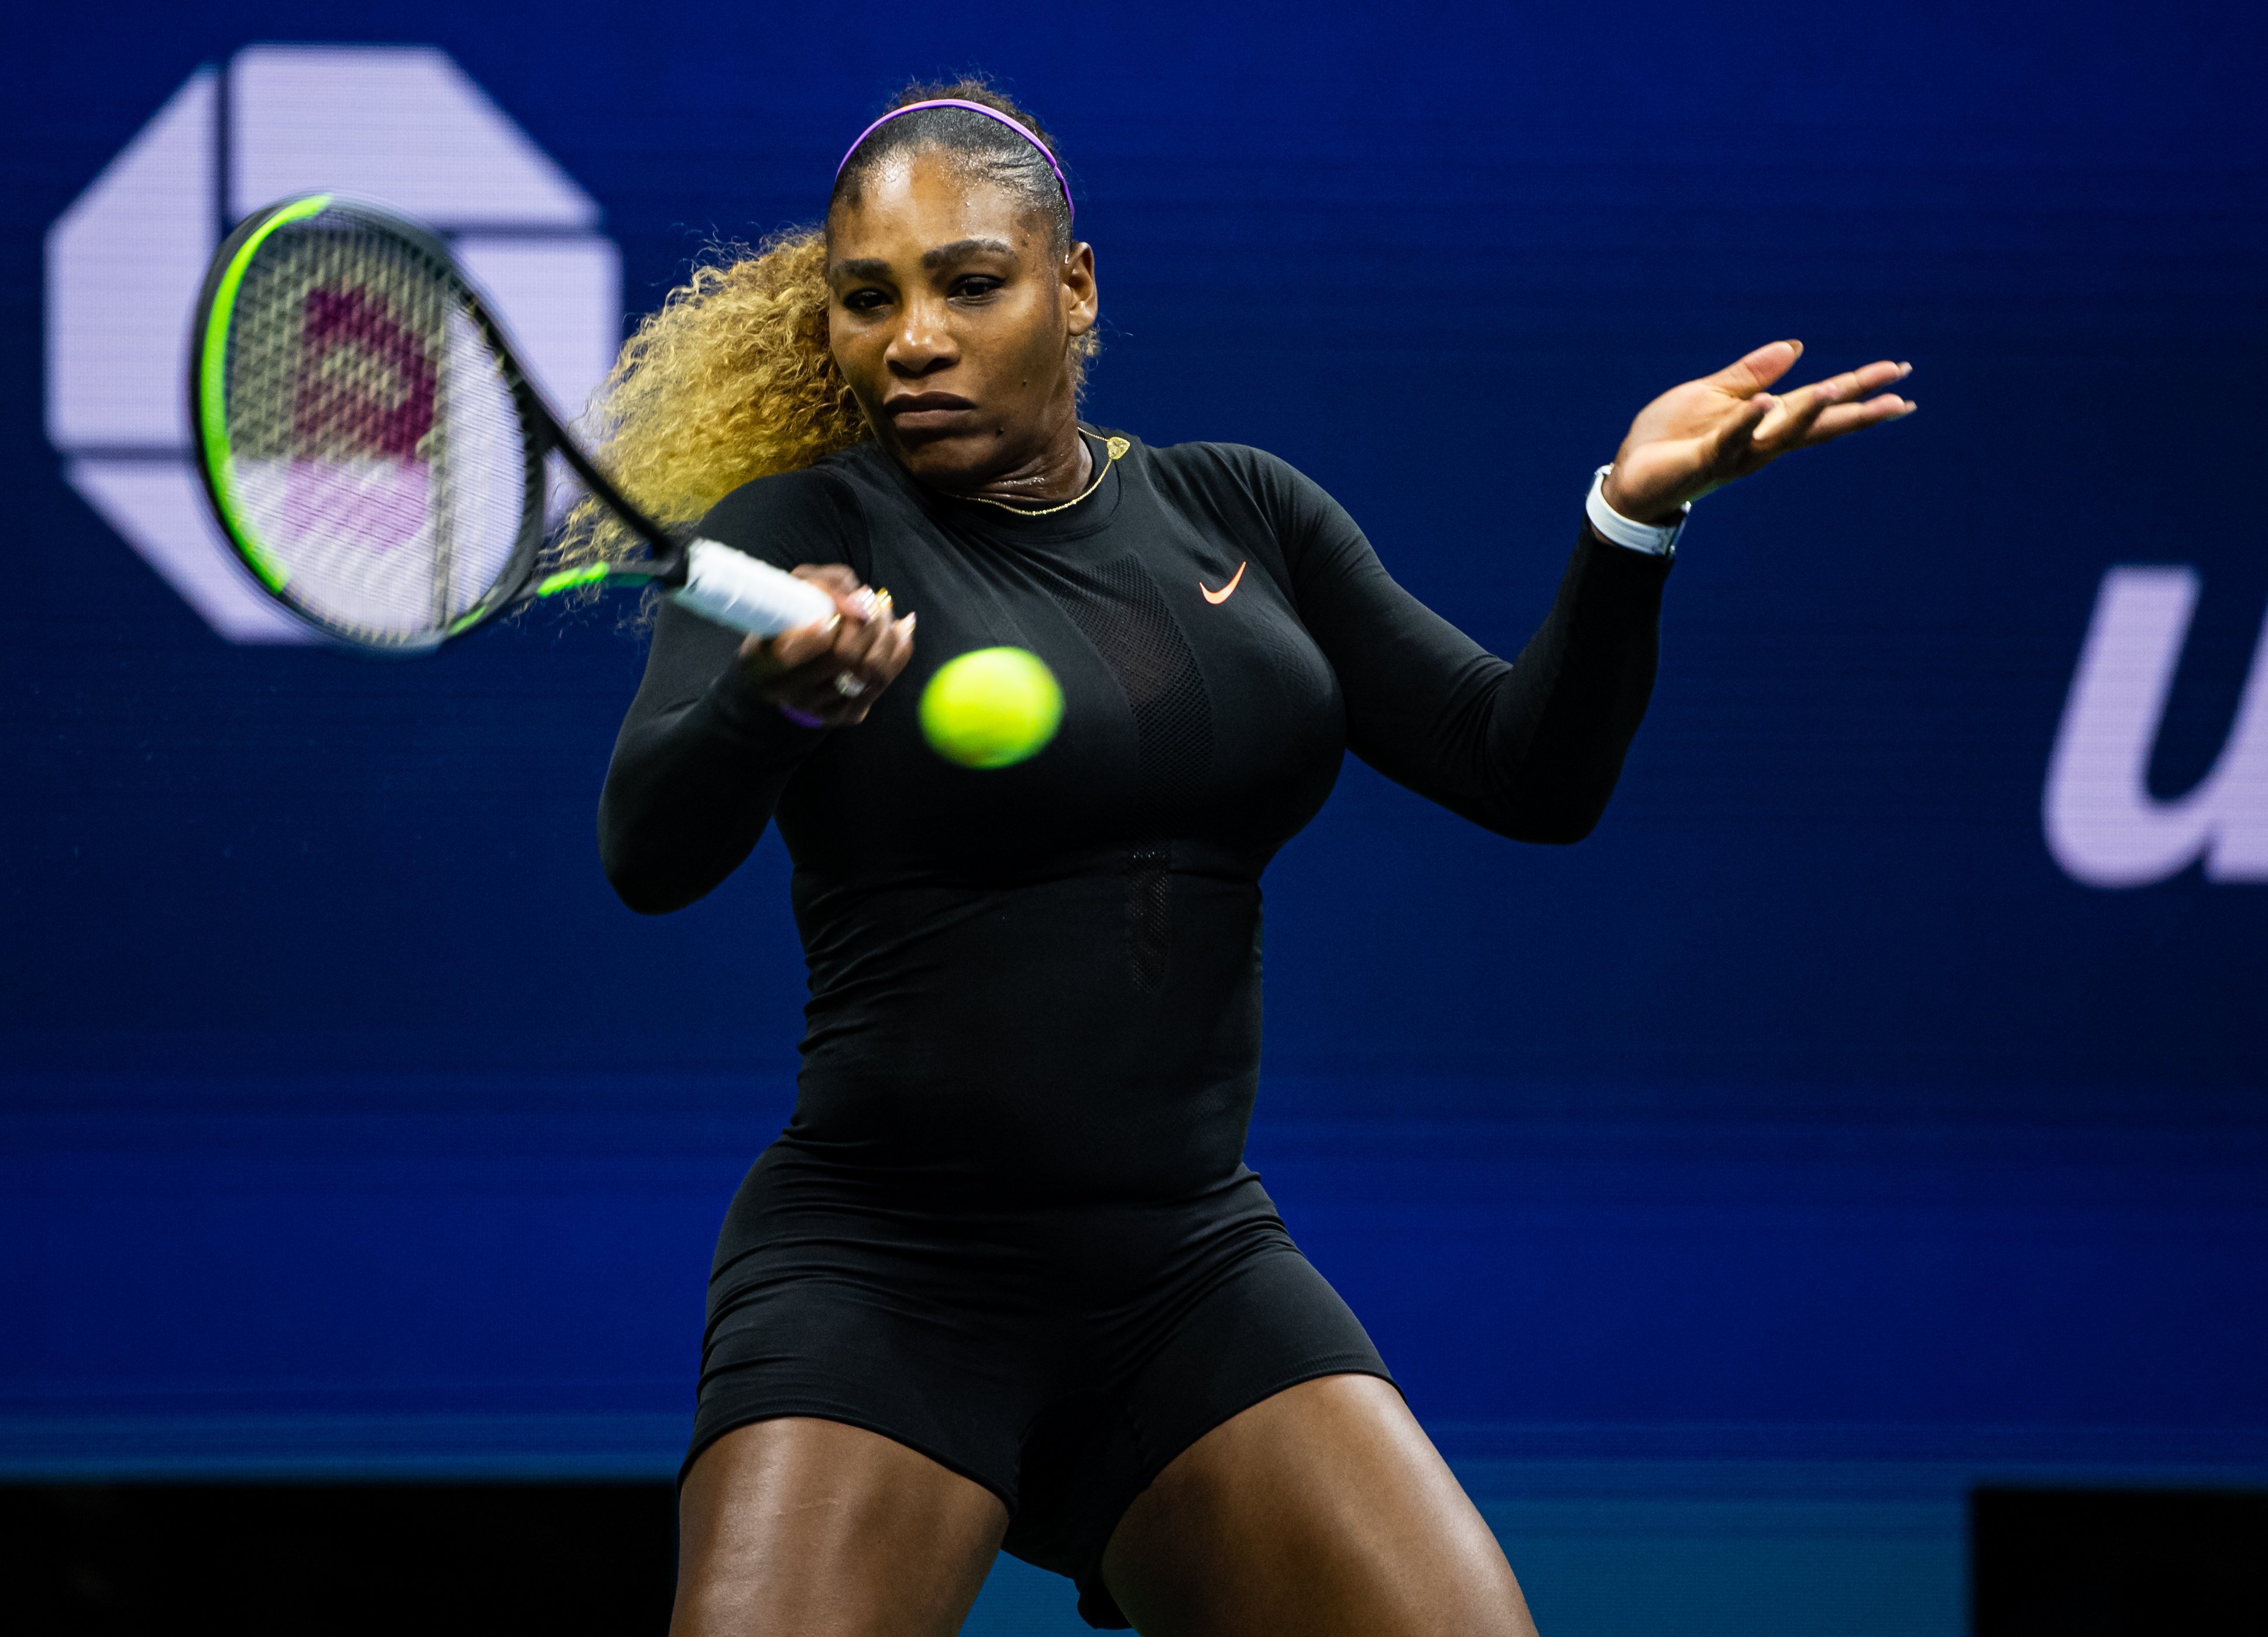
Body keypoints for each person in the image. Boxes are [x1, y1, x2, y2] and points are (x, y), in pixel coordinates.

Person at [582, 80, 1912, 1637]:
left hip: (1184, 1275)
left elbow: (1525, 776)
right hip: (885, 1280)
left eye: (968, 282)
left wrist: (1628, 524)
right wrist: (770, 705)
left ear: (1072, 287)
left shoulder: (1240, 511)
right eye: (866, 300)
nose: (912, 339)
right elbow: (646, 855)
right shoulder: (804, 530)